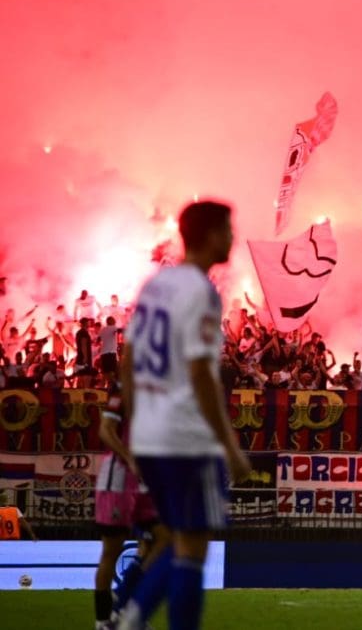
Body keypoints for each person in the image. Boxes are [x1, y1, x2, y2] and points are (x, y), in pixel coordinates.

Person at [118, 201, 251, 630]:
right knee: (193, 548)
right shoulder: (200, 291)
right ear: (211, 235)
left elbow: (128, 357)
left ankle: (131, 618)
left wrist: (137, 425)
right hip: (185, 435)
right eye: (228, 230)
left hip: (153, 434)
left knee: (175, 537)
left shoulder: (158, 285)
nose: (232, 238)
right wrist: (230, 446)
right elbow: (200, 373)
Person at [94, 381, 165, 630]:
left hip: (144, 480)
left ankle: (124, 604)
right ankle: (104, 621)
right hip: (119, 479)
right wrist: (129, 458)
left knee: (163, 538)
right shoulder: (123, 389)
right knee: (111, 551)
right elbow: (106, 430)